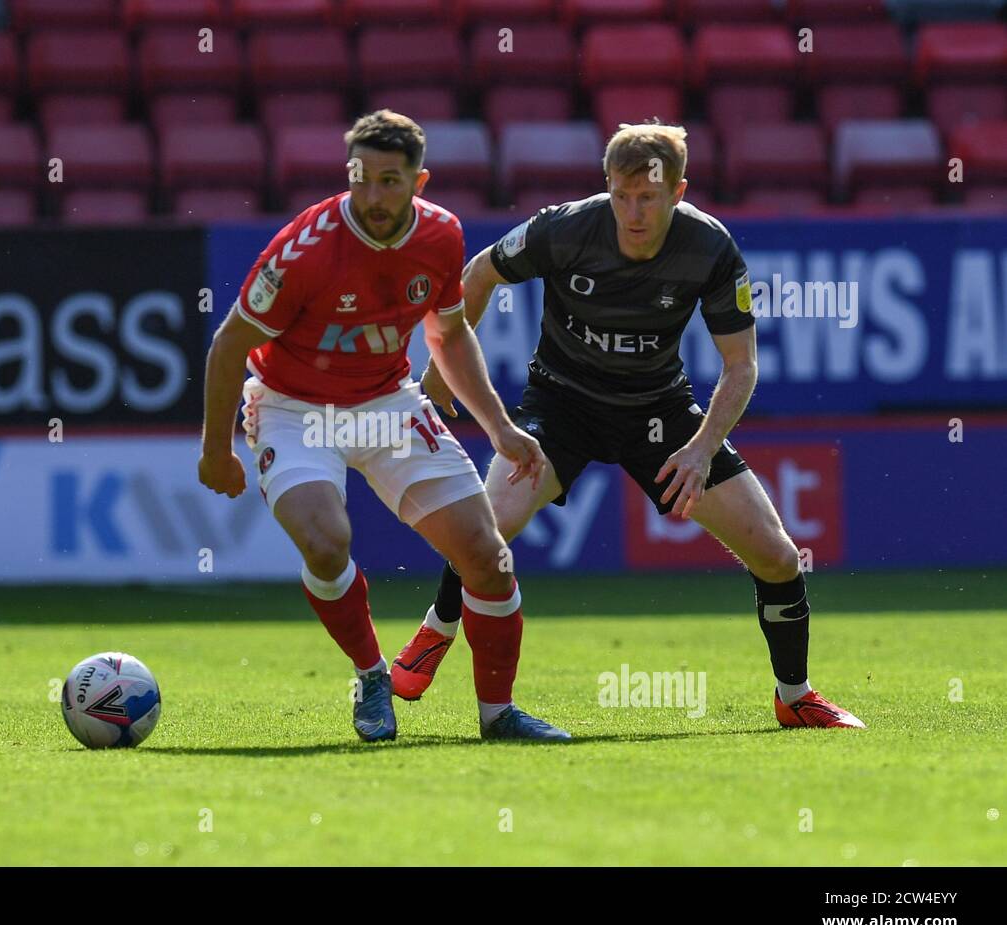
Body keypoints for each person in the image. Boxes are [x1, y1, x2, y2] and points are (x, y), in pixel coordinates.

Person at [393, 122, 865, 730]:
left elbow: (742, 366)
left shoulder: (710, 247)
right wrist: (439, 369)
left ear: (678, 190)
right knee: (489, 527)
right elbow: (480, 273)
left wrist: (700, 449)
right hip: (562, 404)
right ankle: (437, 630)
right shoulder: (565, 227)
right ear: (606, 187)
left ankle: (795, 695)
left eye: (648, 197)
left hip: (658, 412)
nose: (633, 212)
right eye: (621, 195)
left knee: (778, 556)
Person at [198, 110, 571, 742]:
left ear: (419, 182)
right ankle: (372, 676)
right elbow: (229, 345)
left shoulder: (442, 237)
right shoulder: (306, 249)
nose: (372, 196)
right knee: (325, 541)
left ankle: (498, 715)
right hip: (292, 409)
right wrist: (216, 450)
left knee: (488, 560)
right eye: (360, 179)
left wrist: (501, 428)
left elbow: (448, 334)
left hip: (387, 404)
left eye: (389, 181)